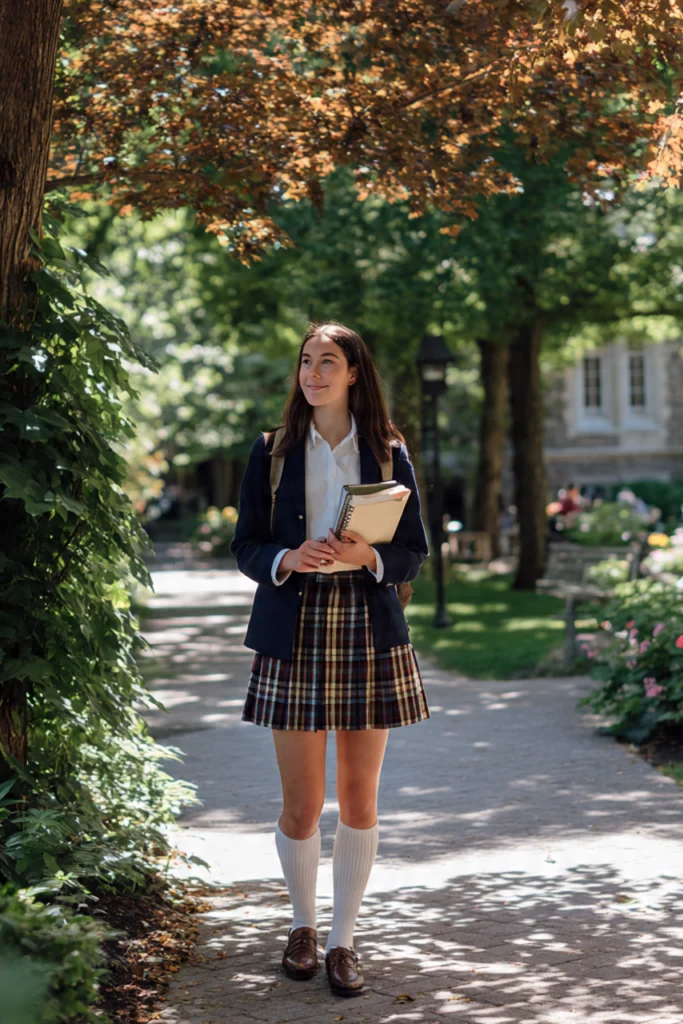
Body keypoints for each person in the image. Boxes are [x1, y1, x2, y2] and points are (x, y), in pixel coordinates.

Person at [230, 320, 430, 997]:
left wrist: (368, 556)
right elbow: (246, 545)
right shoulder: (273, 451)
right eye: (306, 361)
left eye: (328, 361)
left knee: (359, 801)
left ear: (353, 373)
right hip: (294, 628)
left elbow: (414, 552)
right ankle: (302, 928)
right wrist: (286, 558)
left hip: (368, 630)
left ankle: (345, 940)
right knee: (300, 804)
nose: (313, 372)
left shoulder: (387, 452)